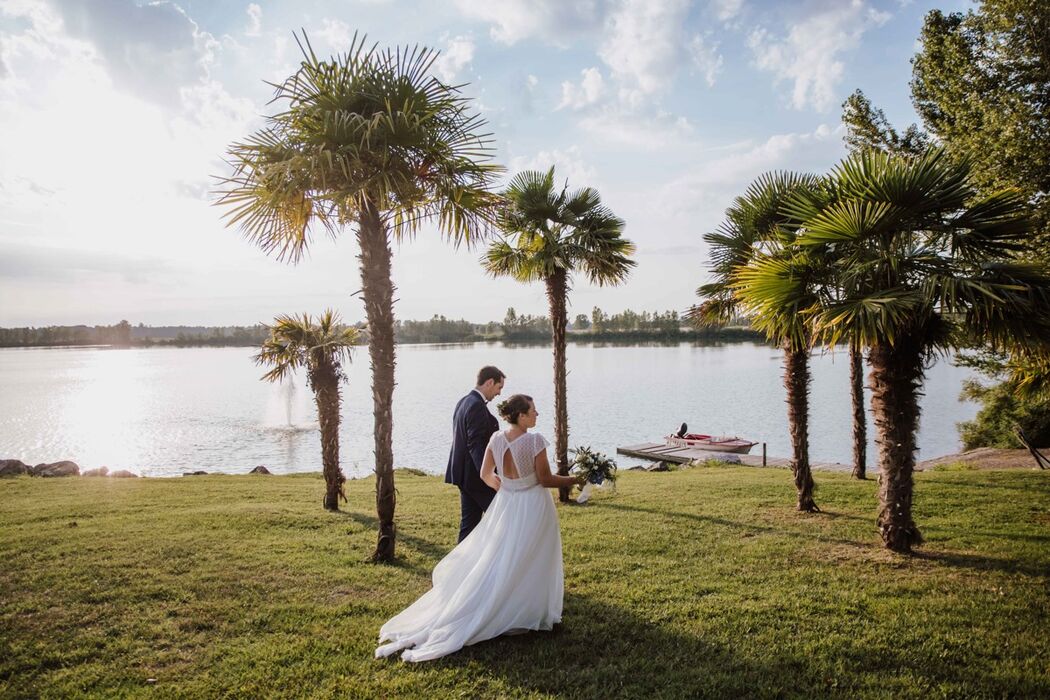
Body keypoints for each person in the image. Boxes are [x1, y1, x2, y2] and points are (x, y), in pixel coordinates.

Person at [376, 394, 586, 662]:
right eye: (533, 411)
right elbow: (544, 479)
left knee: (505, 556)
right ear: (521, 416)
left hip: (507, 505)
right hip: (533, 506)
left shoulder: (496, 439)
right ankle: (525, 611)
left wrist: (508, 489)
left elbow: (485, 474)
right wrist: (577, 478)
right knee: (533, 556)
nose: (537, 415)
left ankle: (510, 605)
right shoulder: (534, 441)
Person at [445, 366, 504, 543]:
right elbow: (475, 444)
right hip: (477, 478)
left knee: (469, 526)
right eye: (499, 387)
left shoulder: (463, 401)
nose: (499, 393)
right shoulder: (476, 406)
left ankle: (458, 568)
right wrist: (486, 474)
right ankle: (498, 563)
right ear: (489, 382)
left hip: (464, 476)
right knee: (502, 520)